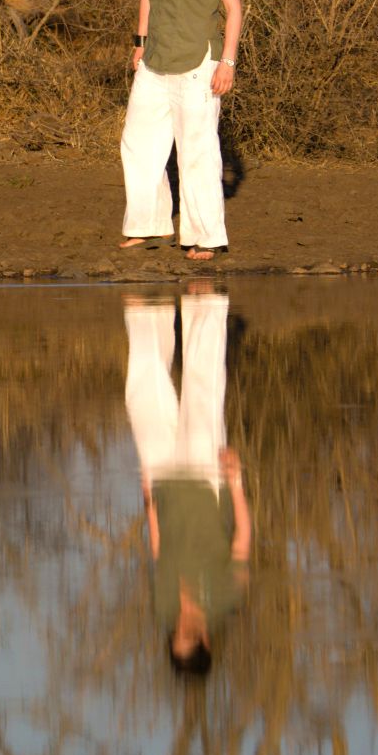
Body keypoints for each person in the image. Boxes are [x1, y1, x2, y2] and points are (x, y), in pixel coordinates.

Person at [119, 0, 243, 262]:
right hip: (156, 57)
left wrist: (228, 61)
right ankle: (147, 226)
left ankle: (205, 237)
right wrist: (139, 42)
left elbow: (234, 8)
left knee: (197, 151)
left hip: (198, 61)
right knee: (138, 144)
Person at [123, 284, 250, 677]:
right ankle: (206, 304)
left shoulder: (163, 607)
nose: (183, 628)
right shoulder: (227, 597)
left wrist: (149, 503)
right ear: (206, 640)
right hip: (205, 478)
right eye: (190, 636)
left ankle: (148, 310)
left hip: (164, 482)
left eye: (176, 636)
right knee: (202, 389)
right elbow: (242, 540)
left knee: (141, 395)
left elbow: (159, 553)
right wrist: (236, 482)